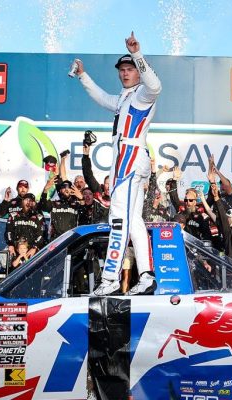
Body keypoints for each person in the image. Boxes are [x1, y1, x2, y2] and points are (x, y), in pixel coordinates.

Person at [71, 32, 163, 295]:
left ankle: (110, 278)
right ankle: (146, 276)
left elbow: (156, 86)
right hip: (129, 158)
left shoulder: (143, 94)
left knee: (118, 218)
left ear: (138, 73)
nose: (124, 73)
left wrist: (136, 54)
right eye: (122, 70)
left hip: (130, 157)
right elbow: (102, 97)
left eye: (130, 69)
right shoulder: (124, 98)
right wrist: (83, 76)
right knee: (134, 221)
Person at [5, 193, 45, 268]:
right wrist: (10, 244)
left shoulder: (38, 217)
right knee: (14, 269)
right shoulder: (14, 215)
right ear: (22, 201)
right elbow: (8, 231)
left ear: (34, 203)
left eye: (31, 200)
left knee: (32, 270)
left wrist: (35, 247)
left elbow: (41, 234)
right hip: (17, 249)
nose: (28, 202)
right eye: (26, 199)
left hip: (31, 249)